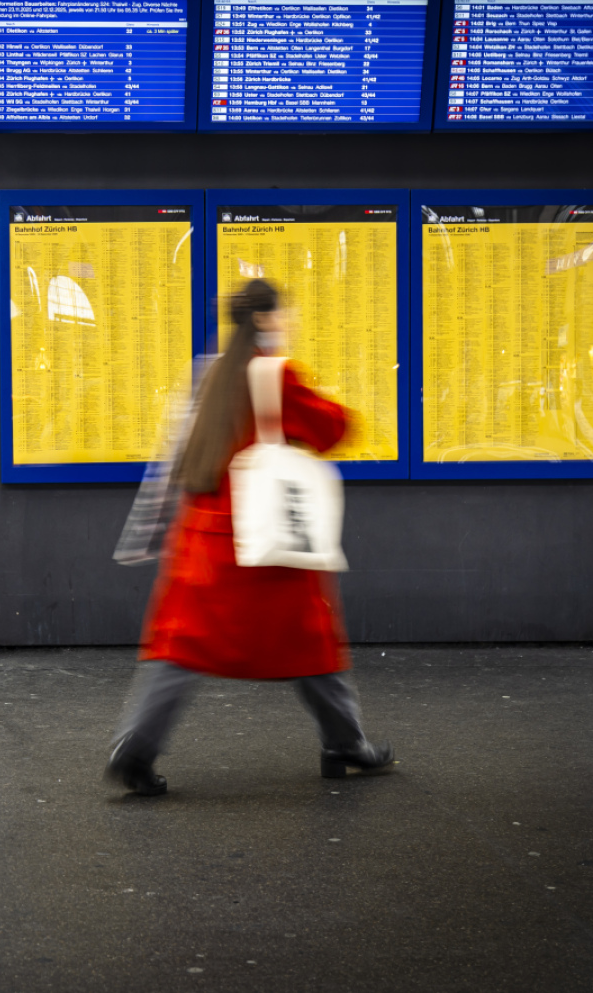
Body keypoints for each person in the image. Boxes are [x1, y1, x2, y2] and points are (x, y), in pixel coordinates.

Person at [106, 279, 393, 797]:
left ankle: (136, 749)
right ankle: (344, 742)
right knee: (312, 644)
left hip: (203, 540)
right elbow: (334, 428)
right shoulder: (273, 375)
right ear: (262, 319)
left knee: (181, 648)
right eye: (283, 313)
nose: (288, 321)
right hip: (263, 541)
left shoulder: (208, 372)